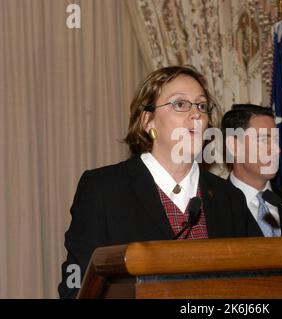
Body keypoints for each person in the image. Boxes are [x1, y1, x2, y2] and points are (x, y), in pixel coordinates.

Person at [58, 65, 249, 298]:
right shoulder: (103, 189)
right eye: (180, 104)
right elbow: (77, 285)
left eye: (201, 105)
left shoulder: (228, 197)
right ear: (148, 121)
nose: (196, 114)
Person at [221, 104, 282, 237]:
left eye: (276, 140)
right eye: (263, 140)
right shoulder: (214, 207)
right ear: (234, 147)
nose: (276, 150)